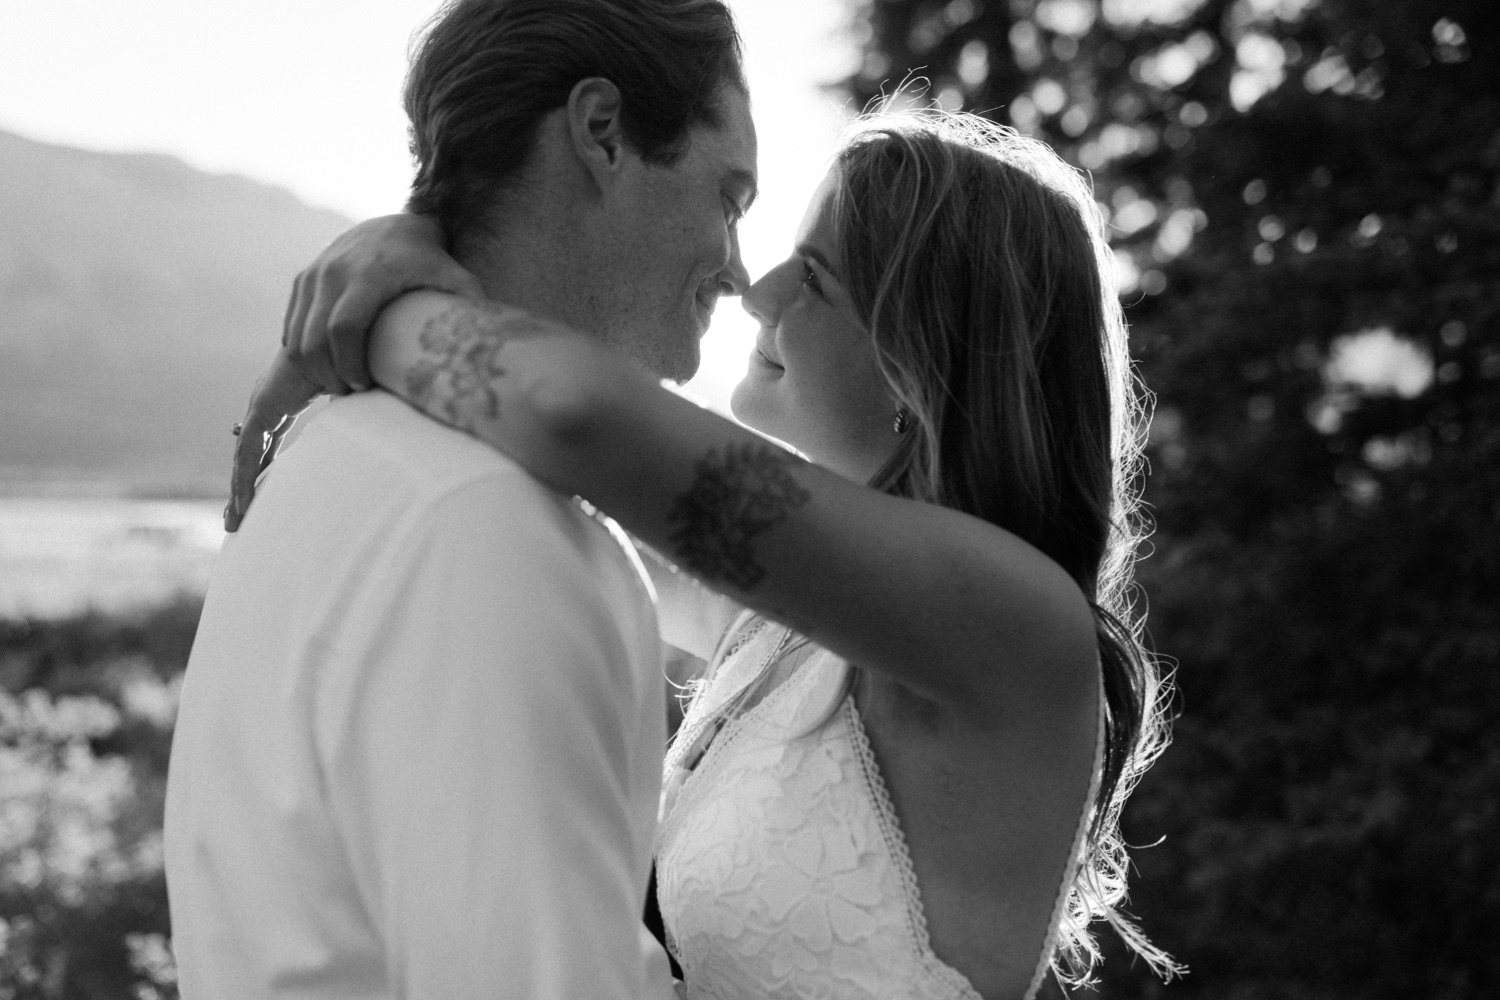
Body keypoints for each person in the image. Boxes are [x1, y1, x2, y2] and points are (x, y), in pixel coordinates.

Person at [233, 107, 1183, 998]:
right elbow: (550, 474)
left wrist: (383, 310)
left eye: (816, 276)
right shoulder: (787, 627)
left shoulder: (1010, 623)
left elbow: (574, 416)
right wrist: (405, 240)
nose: (756, 289)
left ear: (924, 356)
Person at [163, 1, 755, 997]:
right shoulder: (486, 526)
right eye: (729, 197)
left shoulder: (335, 448)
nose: (739, 270)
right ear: (602, 132)